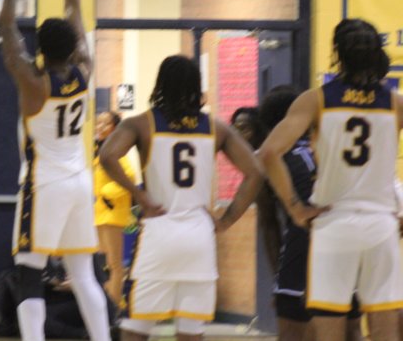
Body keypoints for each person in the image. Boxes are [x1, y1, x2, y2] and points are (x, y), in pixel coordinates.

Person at [99, 55, 263, 341]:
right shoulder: (217, 128)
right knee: (191, 332)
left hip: (158, 234)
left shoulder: (141, 124)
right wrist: (227, 220)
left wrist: (139, 194)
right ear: (196, 86)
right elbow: (256, 172)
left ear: (160, 84)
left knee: (136, 329)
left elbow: (107, 156)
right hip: (199, 238)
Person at [258, 18, 403, 341]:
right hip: (381, 225)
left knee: (329, 327)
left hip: (333, 224)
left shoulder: (317, 100)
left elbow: (268, 153)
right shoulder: (396, 103)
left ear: (338, 52)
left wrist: (296, 208)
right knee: (384, 327)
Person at [0, 0, 112, 341]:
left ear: (40, 49)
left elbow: (6, 28)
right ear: (73, 45)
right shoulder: (85, 67)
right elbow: (75, 10)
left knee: (30, 272)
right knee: (83, 274)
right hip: (80, 180)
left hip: (45, 183)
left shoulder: (34, 83)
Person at [256, 87, 364, 341]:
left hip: (303, 240)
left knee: (291, 334)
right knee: (352, 331)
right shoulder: (330, 147)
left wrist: (279, 281)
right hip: (347, 239)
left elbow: (269, 225)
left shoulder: (269, 157)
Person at [93, 111, 135, 305]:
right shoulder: (101, 150)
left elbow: (130, 176)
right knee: (103, 265)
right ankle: (106, 304)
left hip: (113, 214)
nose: (100, 127)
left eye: (105, 123)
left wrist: (107, 194)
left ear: (115, 128)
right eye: (98, 123)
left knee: (114, 264)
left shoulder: (116, 150)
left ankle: (115, 306)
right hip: (100, 215)